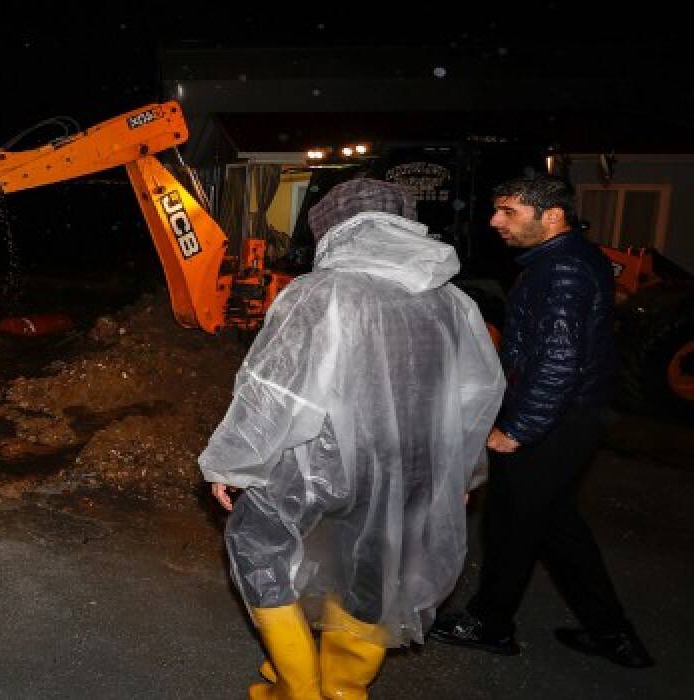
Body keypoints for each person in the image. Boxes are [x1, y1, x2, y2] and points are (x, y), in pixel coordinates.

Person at [200, 178, 505, 699]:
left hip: (321, 461)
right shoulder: (453, 302)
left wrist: (233, 465)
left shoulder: (319, 293)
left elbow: (276, 390)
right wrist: (463, 472)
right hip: (414, 467)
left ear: (333, 230)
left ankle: (297, 687)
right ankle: (345, 689)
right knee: (373, 567)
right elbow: (473, 396)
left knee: (260, 549)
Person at [430, 174, 655, 668]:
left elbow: (558, 359)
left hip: (558, 419)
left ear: (551, 215)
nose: (495, 221)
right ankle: (613, 635)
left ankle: (491, 624)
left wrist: (519, 428)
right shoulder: (559, 261)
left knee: (513, 522)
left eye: (508, 211)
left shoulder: (564, 271)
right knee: (554, 524)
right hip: (569, 415)